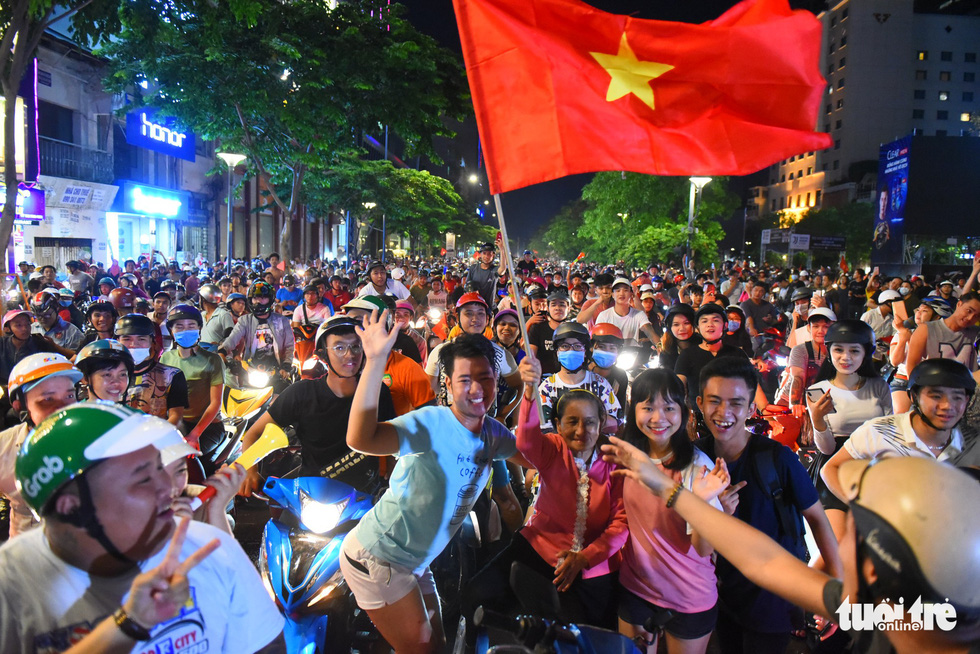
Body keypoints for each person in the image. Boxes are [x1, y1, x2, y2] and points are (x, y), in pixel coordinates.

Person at [602, 443, 980, 654]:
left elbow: (763, 562)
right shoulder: (909, 613)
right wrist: (670, 490)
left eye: (850, 528)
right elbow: (762, 560)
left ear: (873, 570)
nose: (838, 534)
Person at [0, 402, 286, 652]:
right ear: (71, 505)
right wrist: (128, 626)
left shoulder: (207, 547)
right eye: (142, 479)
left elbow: (263, 644)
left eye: (162, 469)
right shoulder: (12, 586)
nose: (169, 488)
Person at [340, 323, 530, 654]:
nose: (476, 389)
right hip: (379, 555)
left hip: (415, 561)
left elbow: (535, 456)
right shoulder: (431, 423)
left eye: (485, 378)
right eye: (464, 380)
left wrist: (531, 390)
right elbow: (361, 438)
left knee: (439, 646)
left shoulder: (494, 434)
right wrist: (374, 361)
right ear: (447, 384)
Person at [462, 365, 627, 645]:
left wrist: (586, 557)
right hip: (538, 547)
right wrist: (528, 391)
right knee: (476, 595)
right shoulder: (552, 447)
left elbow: (621, 524)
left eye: (589, 421)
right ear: (558, 425)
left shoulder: (617, 460)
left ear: (601, 423)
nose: (581, 430)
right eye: (571, 421)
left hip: (595, 564)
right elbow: (526, 441)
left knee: (587, 637)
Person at [693, 357, 842, 654]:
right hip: (717, 593)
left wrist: (835, 589)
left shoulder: (776, 458)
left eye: (736, 403)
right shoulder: (696, 459)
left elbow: (817, 519)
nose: (724, 413)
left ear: (751, 409)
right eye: (714, 402)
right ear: (699, 403)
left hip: (772, 594)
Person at [616, 369, 727, 654]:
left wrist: (702, 502)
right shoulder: (628, 456)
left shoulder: (695, 466)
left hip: (688, 596)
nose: (658, 418)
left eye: (668, 407)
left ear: (683, 412)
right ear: (634, 410)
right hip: (636, 588)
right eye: (648, 407)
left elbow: (703, 548)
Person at [238, 315, 397, 496]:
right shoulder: (301, 394)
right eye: (339, 348)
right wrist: (249, 471)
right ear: (322, 355)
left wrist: (395, 484)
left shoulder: (377, 392)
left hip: (365, 496)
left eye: (355, 346)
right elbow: (254, 433)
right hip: (310, 494)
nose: (350, 354)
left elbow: (393, 444)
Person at [821, 359, 976, 506]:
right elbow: (831, 468)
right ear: (914, 396)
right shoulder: (880, 431)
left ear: (967, 400)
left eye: (957, 397)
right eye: (936, 396)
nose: (947, 406)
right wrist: (862, 510)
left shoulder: (973, 441)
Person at [805, 320, 892, 556]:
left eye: (854, 350)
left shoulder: (879, 386)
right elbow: (826, 449)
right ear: (829, 351)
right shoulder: (819, 391)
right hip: (834, 468)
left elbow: (889, 434)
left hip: (874, 469)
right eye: (838, 350)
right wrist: (817, 420)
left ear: (866, 353)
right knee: (838, 549)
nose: (846, 357)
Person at [0, 353, 82, 538]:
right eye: (48, 399)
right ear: (19, 406)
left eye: (69, 395)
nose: (64, 407)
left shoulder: (98, 438)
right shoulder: (4, 447)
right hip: (26, 557)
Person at [425, 293, 523, 418]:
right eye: (469, 313)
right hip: (449, 427)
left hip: (485, 431)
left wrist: (501, 417)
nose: (475, 318)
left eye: (480, 313)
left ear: (488, 319)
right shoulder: (440, 352)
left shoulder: (500, 354)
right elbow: (428, 392)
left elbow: (519, 385)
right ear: (457, 316)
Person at [160, 304, 225, 448]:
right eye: (179, 327)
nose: (185, 331)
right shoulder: (165, 358)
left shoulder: (212, 360)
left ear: (199, 329)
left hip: (207, 426)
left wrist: (195, 434)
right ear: (171, 331)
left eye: (191, 326)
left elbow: (215, 404)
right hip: (177, 424)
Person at [538, 322, 622, 432]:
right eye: (565, 346)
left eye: (577, 346)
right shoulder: (547, 387)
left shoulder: (600, 383)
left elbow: (616, 422)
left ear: (585, 352)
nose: (571, 351)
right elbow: (545, 427)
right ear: (557, 352)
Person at [116, 313, 189, 425]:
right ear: (117, 342)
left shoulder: (172, 376)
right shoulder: (107, 376)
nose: (134, 345)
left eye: (141, 339)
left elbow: (176, 417)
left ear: (152, 342)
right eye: (126, 339)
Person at [674, 303, 750, 411]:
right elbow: (678, 388)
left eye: (716, 320)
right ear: (697, 328)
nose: (710, 324)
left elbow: (752, 386)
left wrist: (765, 409)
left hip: (732, 416)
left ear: (725, 325)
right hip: (699, 419)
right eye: (704, 321)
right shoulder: (687, 355)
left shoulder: (737, 354)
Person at [219, 282, 295, 379]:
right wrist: (222, 351)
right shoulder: (244, 320)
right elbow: (233, 338)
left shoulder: (282, 321)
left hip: (277, 370)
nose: (258, 301)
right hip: (250, 369)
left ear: (270, 299)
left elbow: (289, 346)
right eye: (255, 298)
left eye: (262, 298)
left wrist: (286, 366)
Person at [889, 297, 951, 412]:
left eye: (925, 311)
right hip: (903, 380)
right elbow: (894, 361)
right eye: (918, 310)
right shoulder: (903, 332)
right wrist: (903, 338)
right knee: (901, 415)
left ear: (937, 316)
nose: (919, 313)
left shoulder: (941, 338)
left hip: (931, 381)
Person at [905, 291, 980, 375]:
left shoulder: (977, 334)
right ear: (959, 304)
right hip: (934, 385)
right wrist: (917, 387)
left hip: (967, 386)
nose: (970, 318)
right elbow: (912, 364)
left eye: (977, 316)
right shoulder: (926, 329)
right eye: (969, 311)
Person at [776, 307, 836, 407]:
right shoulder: (800, 350)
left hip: (821, 399)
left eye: (826, 326)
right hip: (790, 402)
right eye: (816, 326)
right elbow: (798, 377)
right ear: (809, 328)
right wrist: (795, 404)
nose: (820, 331)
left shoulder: (839, 351)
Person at [594, 278, 659, 345]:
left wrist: (659, 345)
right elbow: (597, 337)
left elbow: (649, 331)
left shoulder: (639, 314)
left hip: (634, 353)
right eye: (618, 290)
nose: (621, 293)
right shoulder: (604, 316)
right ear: (613, 294)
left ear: (631, 294)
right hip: (611, 353)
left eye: (625, 290)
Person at [75, 339, 135, 404]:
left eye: (122, 374)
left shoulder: (136, 414)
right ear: (85, 378)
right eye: (107, 375)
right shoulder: (72, 413)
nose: (116, 383)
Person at [526, 290, 571, 375]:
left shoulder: (573, 330)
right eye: (553, 305)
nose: (557, 308)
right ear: (548, 308)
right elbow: (531, 356)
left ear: (568, 308)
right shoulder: (537, 328)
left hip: (568, 376)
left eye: (562, 305)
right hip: (543, 377)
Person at [589, 323, 629, 412]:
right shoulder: (582, 373)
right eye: (602, 347)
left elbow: (620, 408)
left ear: (618, 351)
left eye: (612, 348)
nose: (607, 352)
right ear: (591, 348)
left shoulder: (620, 376)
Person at [464, 242, 507, 307]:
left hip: (489, 308)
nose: (487, 256)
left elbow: (502, 269)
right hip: (474, 306)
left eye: (489, 254)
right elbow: (467, 286)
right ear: (480, 254)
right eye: (484, 253)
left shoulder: (494, 270)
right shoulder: (473, 268)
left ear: (493, 255)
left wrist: (502, 250)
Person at [659, 304, 700, 372]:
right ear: (669, 327)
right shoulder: (666, 350)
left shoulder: (702, 343)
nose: (682, 328)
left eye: (686, 323)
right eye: (676, 324)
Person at [740, 282, 778, 355]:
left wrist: (770, 320)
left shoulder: (769, 306)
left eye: (761, 291)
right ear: (752, 290)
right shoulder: (745, 304)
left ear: (764, 293)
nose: (758, 293)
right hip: (753, 335)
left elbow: (775, 321)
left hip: (766, 335)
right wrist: (752, 328)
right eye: (756, 290)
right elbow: (748, 317)